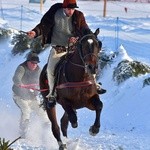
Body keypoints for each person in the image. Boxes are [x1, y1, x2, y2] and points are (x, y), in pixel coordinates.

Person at [27, 0, 106, 106]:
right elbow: (43, 26)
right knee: (50, 70)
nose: (71, 11)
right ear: (64, 8)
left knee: (90, 62)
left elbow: (85, 29)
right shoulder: (55, 12)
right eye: (69, 9)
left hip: (73, 50)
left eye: (73, 9)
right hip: (58, 50)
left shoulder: (79, 16)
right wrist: (35, 32)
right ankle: (52, 94)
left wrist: (80, 38)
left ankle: (95, 84)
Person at [12, 52, 49, 138]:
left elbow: (42, 81)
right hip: (19, 96)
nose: (34, 65)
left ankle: (48, 131)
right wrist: (20, 84)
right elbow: (16, 78)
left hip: (32, 97)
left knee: (42, 112)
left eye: (36, 63)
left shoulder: (38, 70)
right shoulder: (22, 68)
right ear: (28, 61)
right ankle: (23, 132)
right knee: (26, 110)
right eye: (32, 63)